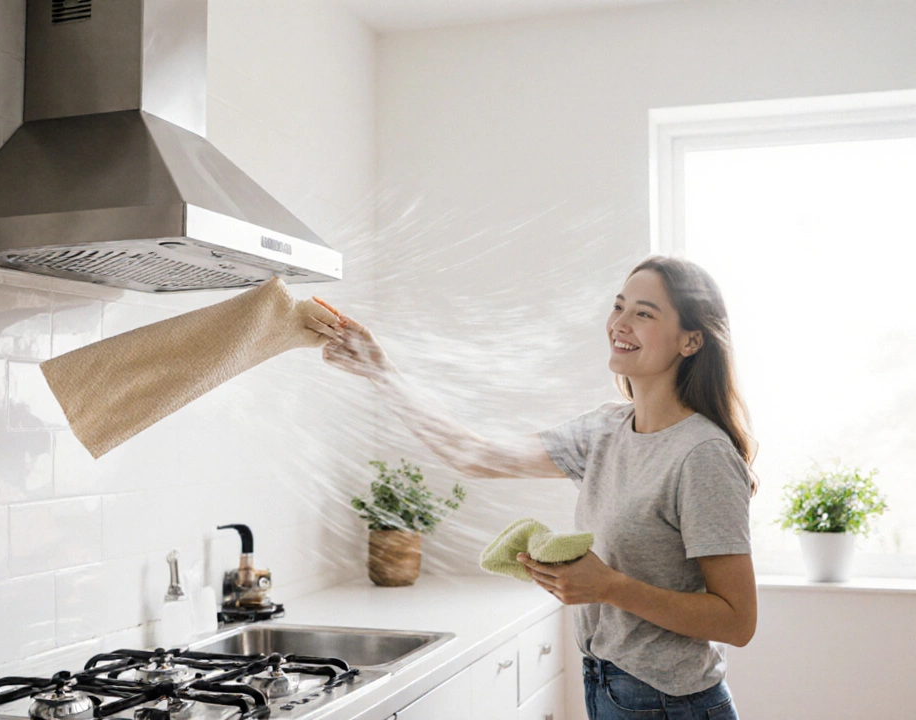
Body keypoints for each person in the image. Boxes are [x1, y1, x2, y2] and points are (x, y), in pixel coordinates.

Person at [307, 255, 757, 720]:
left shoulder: (702, 454)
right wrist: (383, 373)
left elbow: (737, 621)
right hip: (607, 688)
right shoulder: (606, 430)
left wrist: (610, 587)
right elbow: (474, 455)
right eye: (618, 306)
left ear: (691, 340)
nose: (620, 323)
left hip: (671, 706)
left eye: (644, 313)